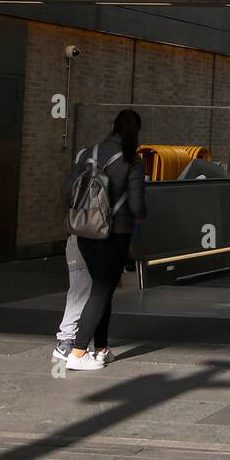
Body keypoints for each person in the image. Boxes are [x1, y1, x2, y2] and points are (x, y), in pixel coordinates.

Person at [61, 109, 146, 371]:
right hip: (115, 233)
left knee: (103, 288)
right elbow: (136, 205)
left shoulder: (89, 153)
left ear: (113, 126)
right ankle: (77, 351)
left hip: (85, 231)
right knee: (101, 291)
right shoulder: (132, 160)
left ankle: (101, 348)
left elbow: (67, 191)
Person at [52, 235, 91, 361]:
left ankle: (70, 338)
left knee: (84, 292)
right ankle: (66, 341)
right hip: (81, 246)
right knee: (79, 293)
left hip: (87, 245)